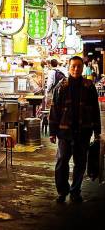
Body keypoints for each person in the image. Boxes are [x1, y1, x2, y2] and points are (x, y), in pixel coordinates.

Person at [49, 56, 101, 203]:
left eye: (79, 66)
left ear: (83, 68)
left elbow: (95, 110)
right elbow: (54, 110)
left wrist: (97, 131)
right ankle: (62, 191)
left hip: (84, 131)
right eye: (73, 66)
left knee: (80, 162)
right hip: (64, 132)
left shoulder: (89, 86)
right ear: (69, 67)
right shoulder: (61, 86)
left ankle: (75, 191)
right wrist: (52, 132)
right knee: (62, 161)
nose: (76, 69)